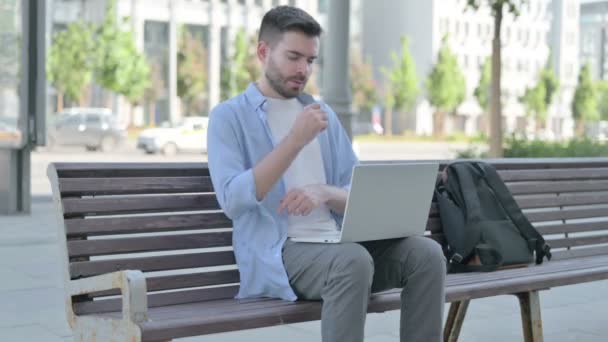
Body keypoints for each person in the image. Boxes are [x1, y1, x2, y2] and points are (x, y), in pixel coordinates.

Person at [207, 6, 446, 342]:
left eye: (310, 60)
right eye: (293, 57)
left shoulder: (323, 115)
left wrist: (326, 193)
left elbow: (354, 187)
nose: (303, 69)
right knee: (352, 260)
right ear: (263, 52)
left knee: (426, 254)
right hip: (281, 252)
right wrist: (294, 140)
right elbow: (232, 199)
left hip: (338, 243)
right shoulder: (228, 117)